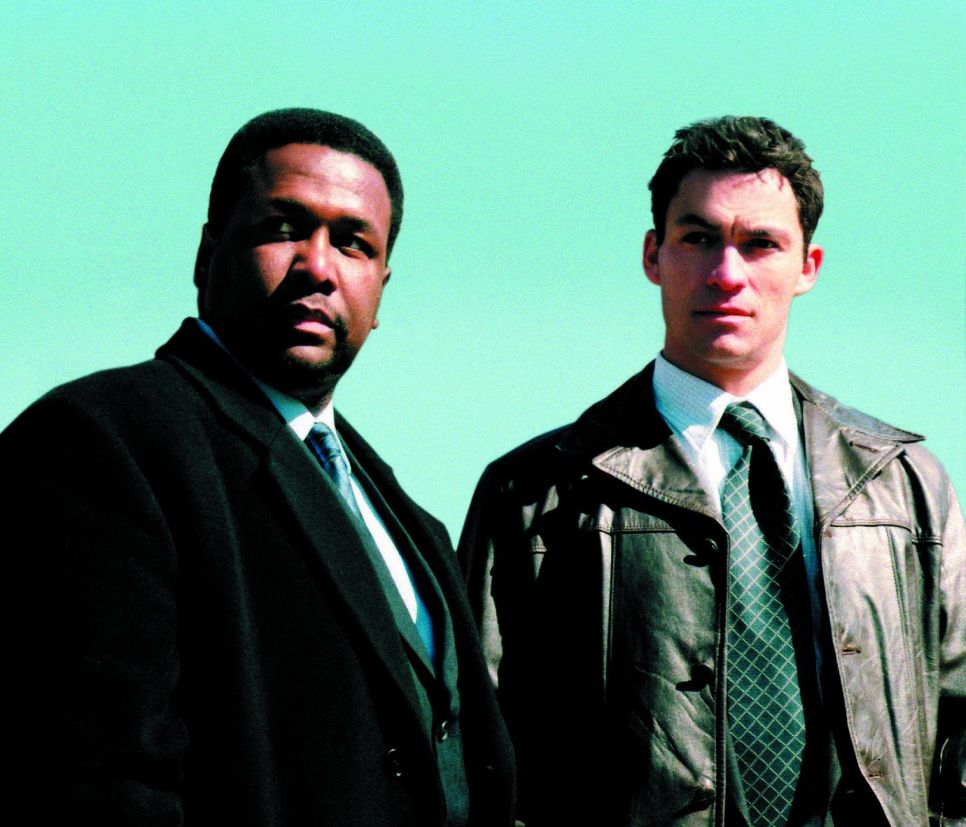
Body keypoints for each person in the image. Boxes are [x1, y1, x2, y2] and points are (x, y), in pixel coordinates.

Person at [0, 108, 514, 825]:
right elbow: (92, 777)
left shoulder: (411, 520)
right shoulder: (100, 441)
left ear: (381, 290)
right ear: (206, 255)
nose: (319, 266)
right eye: (284, 227)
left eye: (353, 242)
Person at [458, 116, 964, 826]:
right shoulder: (537, 492)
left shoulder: (903, 485)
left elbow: (957, 727)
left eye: (761, 244)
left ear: (808, 267)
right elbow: (477, 747)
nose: (727, 274)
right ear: (653, 254)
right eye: (698, 238)